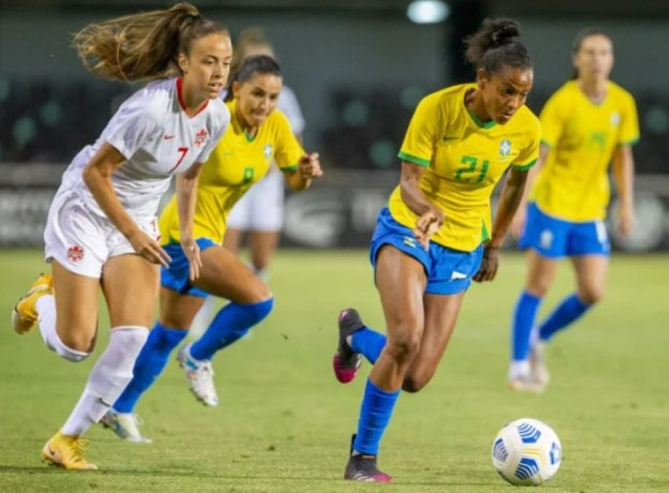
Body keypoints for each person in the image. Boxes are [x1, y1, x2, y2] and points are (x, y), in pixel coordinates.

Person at [9, 3, 232, 470]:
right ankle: (38, 301)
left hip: (138, 218)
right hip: (87, 209)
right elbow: (96, 173)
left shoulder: (216, 117)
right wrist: (132, 232)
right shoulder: (149, 108)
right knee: (75, 346)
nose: (219, 72)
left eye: (226, 62)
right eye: (209, 61)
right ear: (185, 61)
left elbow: (190, 175)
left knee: (133, 337)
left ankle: (66, 440)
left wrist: (188, 233)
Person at [330, 18, 540, 482]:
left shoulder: (526, 129)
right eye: (507, 91)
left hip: (464, 244)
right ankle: (362, 458)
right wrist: (427, 209)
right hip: (409, 230)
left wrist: (494, 242)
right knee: (405, 338)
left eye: (523, 94)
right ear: (482, 80)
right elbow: (408, 181)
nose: (515, 104)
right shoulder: (437, 109)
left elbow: (515, 184)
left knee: (415, 376)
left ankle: (354, 336)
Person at [99, 54, 322, 443]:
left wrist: (304, 174)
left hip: (205, 238)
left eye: (272, 97)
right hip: (182, 236)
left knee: (169, 332)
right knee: (258, 300)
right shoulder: (214, 120)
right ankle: (199, 356)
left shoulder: (276, 126)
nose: (264, 105)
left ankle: (119, 407)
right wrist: (185, 232)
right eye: (257, 94)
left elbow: (294, 180)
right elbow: (184, 173)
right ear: (236, 89)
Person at [507, 28, 639, 392]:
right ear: (577, 59)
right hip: (551, 205)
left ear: (612, 59)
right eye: (590, 53)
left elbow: (622, 156)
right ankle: (518, 365)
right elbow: (538, 157)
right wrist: (518, 207)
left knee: (593, 291)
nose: (598, 60)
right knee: (538, 285)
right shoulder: (563, 103)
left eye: (604, 53)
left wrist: (626, 204)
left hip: (590, 211)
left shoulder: (622, 103)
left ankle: (539, 337)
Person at [190, 28, 306, 336]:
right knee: (222, 252)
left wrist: (296, 165)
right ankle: (207, 312)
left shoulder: (285, 98)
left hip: (266, 187)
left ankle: (248, 305)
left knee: (261, 255)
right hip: (231, 185)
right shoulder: (226, 102)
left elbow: (294, 138)